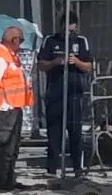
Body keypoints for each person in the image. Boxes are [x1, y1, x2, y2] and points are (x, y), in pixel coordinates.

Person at [38, 11, 93, 176]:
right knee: (54, 132)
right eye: (66, 27)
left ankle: (77, 167)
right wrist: (55, 62)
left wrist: (76, 61)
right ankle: (52, 168)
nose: (69, 31)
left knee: (75, 131)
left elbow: (89, 67)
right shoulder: (50, 40)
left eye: (72, 27)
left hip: (74, 94)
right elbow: (40, 64)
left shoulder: (81, 41)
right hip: (55, 93)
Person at [0, 25, 32, 192]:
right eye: (21, 40)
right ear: (14, 39)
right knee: (4, 148)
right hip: (4, 109)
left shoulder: (11, 56)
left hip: (13, 107)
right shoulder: (0, 55)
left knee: (12, 148)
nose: (21, 45)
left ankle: (8, 180)